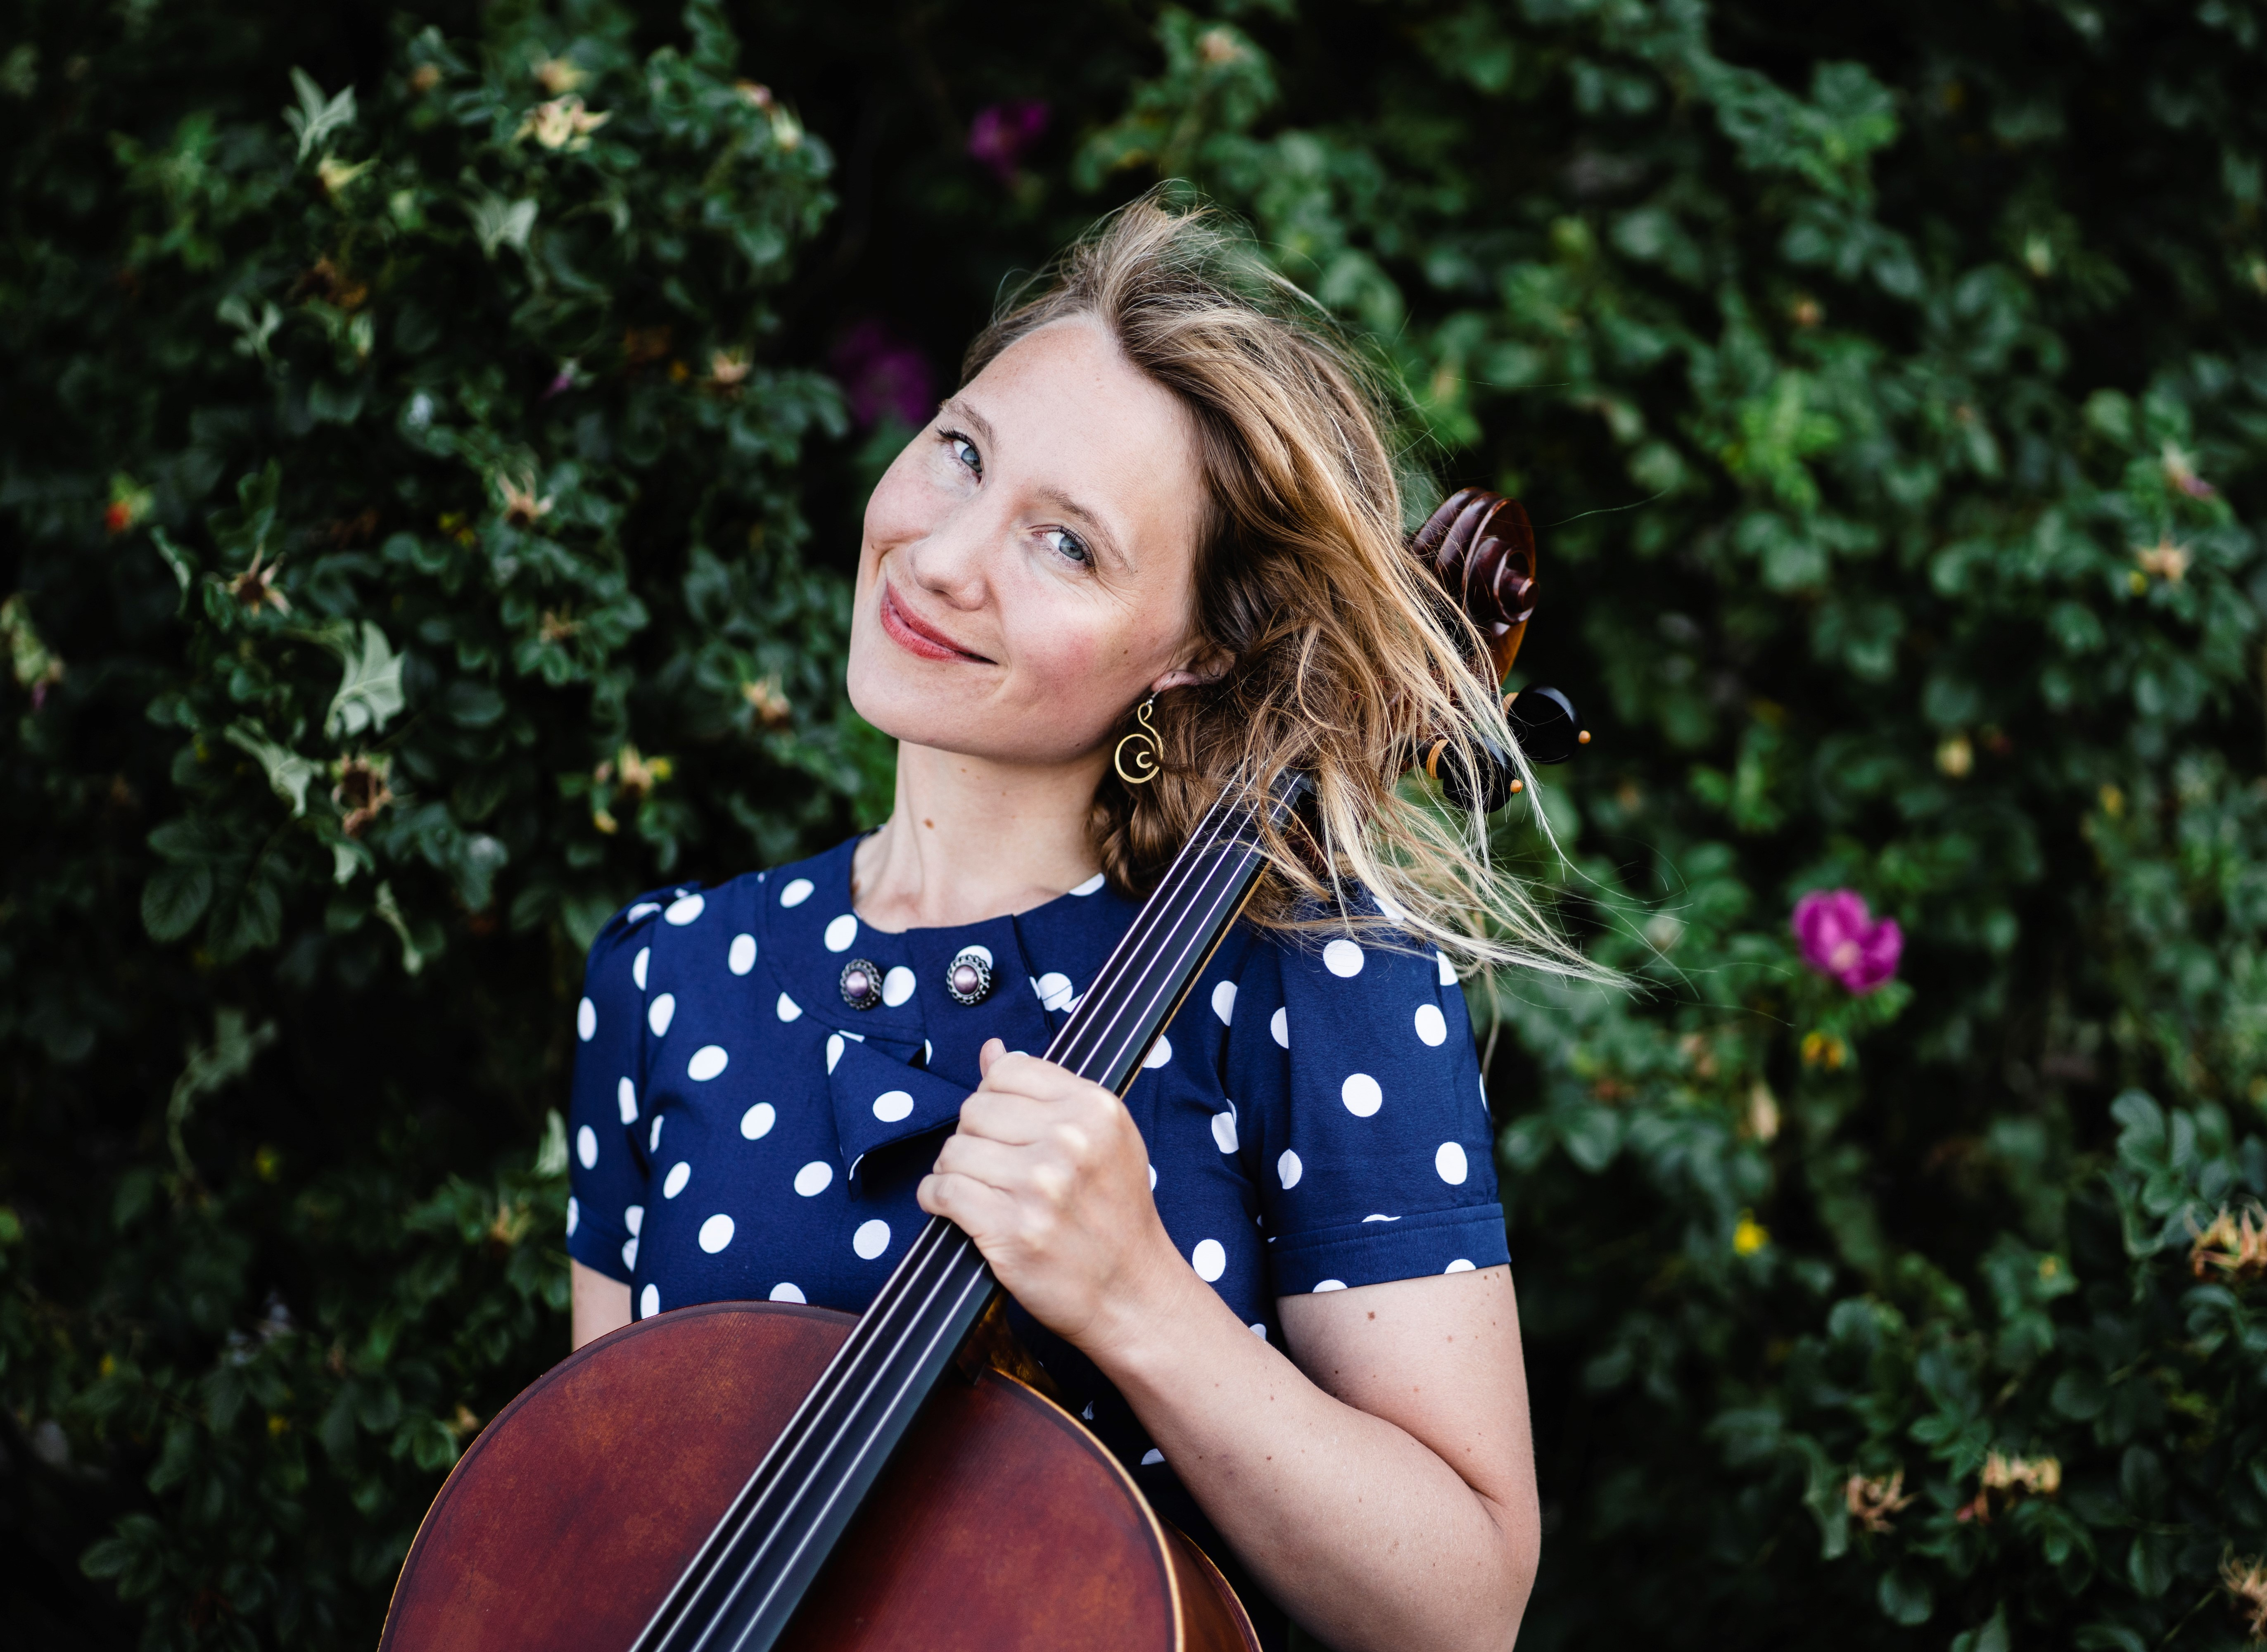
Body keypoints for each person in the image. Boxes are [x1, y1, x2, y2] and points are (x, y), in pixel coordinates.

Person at [563, 189, 1578, 1652]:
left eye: (1067, 547)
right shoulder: (664, 978)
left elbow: (1464, 1604)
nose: (946, 555)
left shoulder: (1306, 977)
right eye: (961, 453)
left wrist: (1138, 1298)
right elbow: (593, 1540)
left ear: (1192, 652)